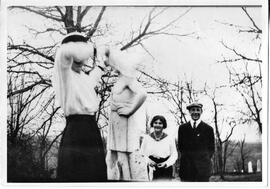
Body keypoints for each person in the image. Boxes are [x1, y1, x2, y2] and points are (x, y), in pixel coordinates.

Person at [52, 32, 109, 182]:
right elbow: (63, 56)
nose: (80, 61)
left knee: (95, 174)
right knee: (75, 174)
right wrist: (83, 48)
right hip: (75, 131)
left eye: (83, 58)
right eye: (76, 57)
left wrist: (104, 63)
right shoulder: (63, 75)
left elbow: (93, 78)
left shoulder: (83, 77)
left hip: (92, 129)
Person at [105, 49, 148, 181]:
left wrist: (130, 110)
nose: (107, 63)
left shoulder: (128, 78)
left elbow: (142, 94)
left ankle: (127, 182)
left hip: (125, 122)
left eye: (109, 60)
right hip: (115, 122)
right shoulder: (119, 79)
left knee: (123, 158)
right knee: (115, 157)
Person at [178, 102, 215, 182]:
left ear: (201, 112)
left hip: (202, 170)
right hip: (186, 169)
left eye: (198, 110)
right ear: (189, 112)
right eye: (193, 110)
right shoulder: (182, 128)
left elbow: (211, 149)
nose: (195, 112)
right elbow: (181, 147)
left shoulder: (208, 129)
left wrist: (203, 162)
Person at [140, 115, 178, 181]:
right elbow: (142, 153)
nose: (157, 125)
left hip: (165, 168)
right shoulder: (147, 138)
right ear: (152, 124)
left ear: (164, 125)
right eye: (155, 123)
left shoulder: (169, 138)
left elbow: (174, 155)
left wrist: (166, 163)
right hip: (151, 167)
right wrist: (149, 162)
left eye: (160, 123)